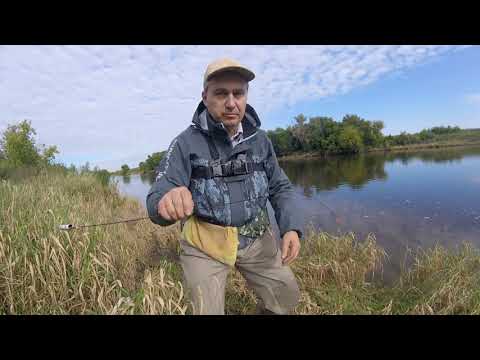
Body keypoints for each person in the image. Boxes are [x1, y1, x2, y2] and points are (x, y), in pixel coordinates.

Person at [146, 58, 303, 315]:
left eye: (238, 93)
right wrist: (166, 201)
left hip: (256, 239)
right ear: (205, 97)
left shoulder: (261, 140)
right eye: (221, 93)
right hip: (204, 246)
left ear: (245, 96)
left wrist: (291, 228)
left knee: (286, 297)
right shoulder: (184, 143)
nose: (231, 102)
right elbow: (156, 197)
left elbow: (280, 187)